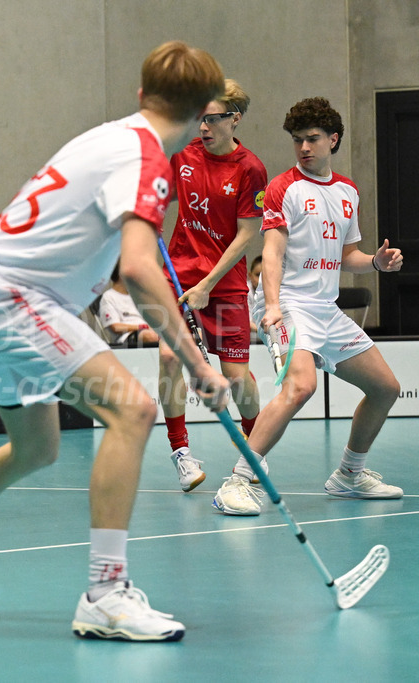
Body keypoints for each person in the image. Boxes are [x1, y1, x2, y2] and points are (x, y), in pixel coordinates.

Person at [0, 41, 229, 642]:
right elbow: (138, 271)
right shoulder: (145, 162)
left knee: (34, 450)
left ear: (142, 95)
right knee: (133, 409)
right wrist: (198, 365)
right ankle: (106, 594)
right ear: (201, 115)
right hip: (16, 297)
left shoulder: (110, 136)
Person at [218, 97, 405, 515]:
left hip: (325, 308)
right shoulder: (284, 188)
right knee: (301, 386)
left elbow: (347, 256)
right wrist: (270, 306)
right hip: (289, 304)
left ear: (333, 139)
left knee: (386, 388)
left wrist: (375, 262)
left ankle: (348, 476)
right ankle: (238, 480)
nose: (304, 147)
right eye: (298, 140)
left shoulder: (347, 192)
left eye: (313, 139)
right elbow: (272, 251)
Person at [156, 79, 268, 494]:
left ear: (234, 119)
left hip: (223, 281)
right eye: (198, 117)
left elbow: (246, 236)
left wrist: (208, 284)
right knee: (170, 359)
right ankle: (181, 452)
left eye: (212, 118)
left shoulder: (250, 169)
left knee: (235, 376)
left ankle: (256, 448)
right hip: (178, 274)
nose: (202, 126)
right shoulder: (184, 155)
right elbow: (155, 191)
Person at [97, 266, 160, 347]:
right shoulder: (108, 297)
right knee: (151, 336)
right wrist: (141, 327)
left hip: (147, 331)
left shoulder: (137, 296)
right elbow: (116, 327)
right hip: (127, 337)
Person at [248, 255, 263, 342]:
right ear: (250, 275)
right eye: (258, 275)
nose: (261, 280)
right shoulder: (245, 290)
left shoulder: (277, 291)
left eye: (265, 275)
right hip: (249, 341)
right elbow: (246, 322)